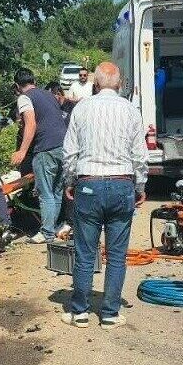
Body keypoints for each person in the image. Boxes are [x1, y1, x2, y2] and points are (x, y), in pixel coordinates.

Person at [61, 62, 147, 330]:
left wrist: (69, 181)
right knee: (117, 254)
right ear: (120, 84)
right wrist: (140, 186)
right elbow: (139, 155)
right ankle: (109, 313)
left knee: (86, 252)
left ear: (95, 84)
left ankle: (80, 312)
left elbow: (70, 152)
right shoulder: (131, 110)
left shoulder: (82, 108)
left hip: (88, 184)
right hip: (122, 185)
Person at [10, 68, 68, 244]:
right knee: (57, 191)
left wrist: (22, 151)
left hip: (46, 148)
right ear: (33, 80)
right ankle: (56, 226)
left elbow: (30, 124)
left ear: (17, 86)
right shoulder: (48, 94)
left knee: (45, 192)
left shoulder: (24, 98)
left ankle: (46, 232)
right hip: (64, 146)